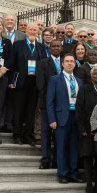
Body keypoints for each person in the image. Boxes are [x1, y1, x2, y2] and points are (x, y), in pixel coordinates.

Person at [47, 53, 84, 184]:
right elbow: (50, 101)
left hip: (76, 117)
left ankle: (73, 173)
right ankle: (62, 173)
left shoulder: (79, 81)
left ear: (75, 64)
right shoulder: (55, 79)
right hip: (61, 117)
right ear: (62, 64)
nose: (69, 63)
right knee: (61, 146)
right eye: (67, 61)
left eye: (72, 61)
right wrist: (52, 119)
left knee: (74, 146)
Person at [10, 22, 46, 145]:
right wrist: (11, 81)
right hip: (20, 81)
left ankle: (28, 135)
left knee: (31, 110)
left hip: (35, 83)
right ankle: (17, 134)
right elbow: (12, 63)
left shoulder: (41, 47)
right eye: (30, 29)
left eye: (34, 30)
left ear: (37, 32)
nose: (32, 31)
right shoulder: (17, 45)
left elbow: (43, 65)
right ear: (26, 31)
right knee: (18, 109)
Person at [76, 68, 97, 193]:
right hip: (88, 129)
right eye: (95, 73)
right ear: (91, 76)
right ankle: (89, 186)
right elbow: (79, 109)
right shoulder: (84, 89)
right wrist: (82, 129)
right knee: (88, 157)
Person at [36, 40, 63, 169]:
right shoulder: (42, 64)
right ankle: (45, 159)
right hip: (47, 103)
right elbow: (40, 85)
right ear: (50, 48)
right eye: (54, 46)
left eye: (58, 46)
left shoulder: (66, 63)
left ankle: (57, 161)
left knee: (59, 134)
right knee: (46, 132)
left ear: (61, 48)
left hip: (62, 105)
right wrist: (52, 99)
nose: (56, 48)